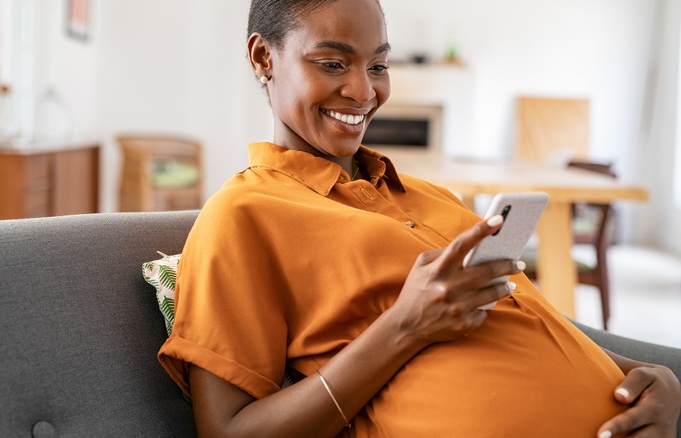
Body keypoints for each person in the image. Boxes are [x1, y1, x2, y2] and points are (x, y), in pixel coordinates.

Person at [159, 0, 681, 436]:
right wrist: (403, 328)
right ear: (262, 56)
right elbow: (229, 431)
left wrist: (647, 376)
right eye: (333, 63)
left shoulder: (434, 197)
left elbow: (533, 328)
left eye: (379, 65)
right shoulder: (242, 215)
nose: (365, 92)